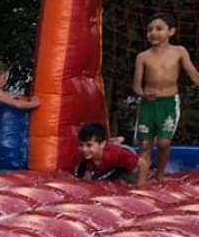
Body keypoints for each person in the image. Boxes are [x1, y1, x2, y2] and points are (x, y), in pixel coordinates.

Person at [133, 12, 199, 181]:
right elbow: (136, 86)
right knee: (145, 144)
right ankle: (141, 183)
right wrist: (143, 94)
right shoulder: (143, 57)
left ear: (171, 31)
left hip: (169, 104)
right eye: (149, 29)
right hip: (148, 105)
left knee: (164, 143)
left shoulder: (179, 52)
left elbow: (193, 75)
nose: (153, 32)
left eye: (159, 28)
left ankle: (160, 176)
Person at [75, 122, 143, 184]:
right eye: (81, 145)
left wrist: (140, 187)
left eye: (89, 145)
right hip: (110, 165)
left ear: (102, 144)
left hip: (125, 160)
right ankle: (116, 140)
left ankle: (119, 141)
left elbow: (143, 164)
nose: (84, 149)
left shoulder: (115, 154)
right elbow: (79, 176)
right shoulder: (85, 155)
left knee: (123, 181)